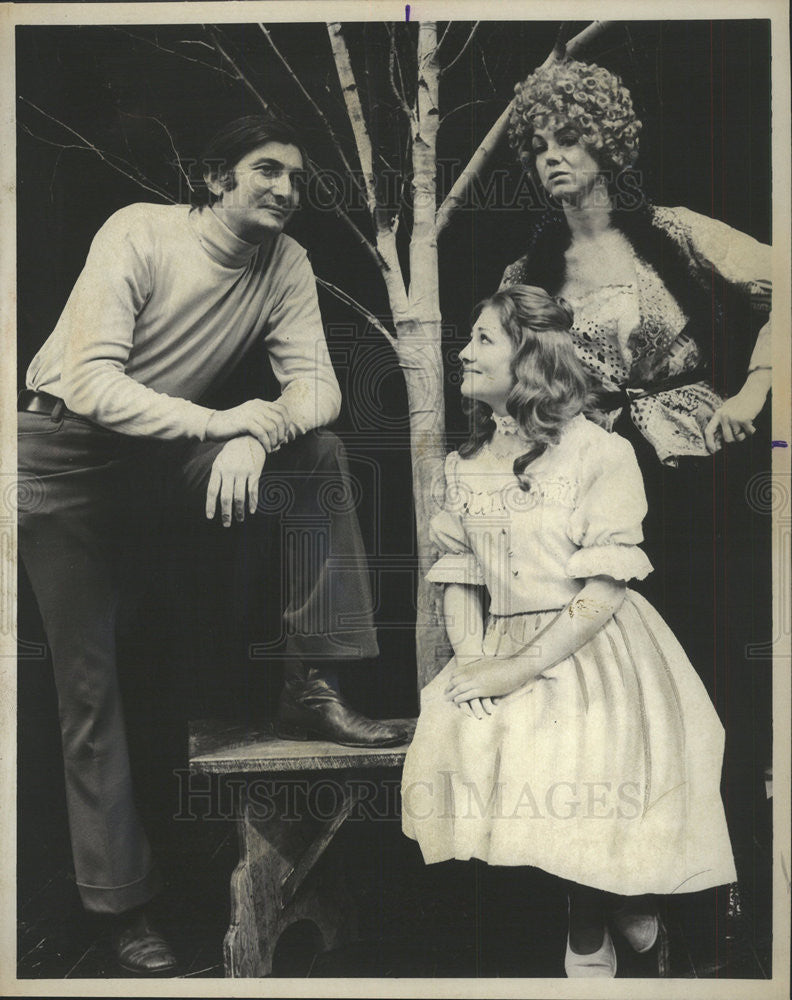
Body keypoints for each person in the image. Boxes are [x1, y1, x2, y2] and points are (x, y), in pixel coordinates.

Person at [17, 114, 409, 975]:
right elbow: (89, 381)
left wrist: (252, 437)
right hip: (60, 458)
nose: (285, 191)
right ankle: (124, 907)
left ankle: (313, 679)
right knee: (92, 691)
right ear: (214, 177)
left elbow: (320, 391)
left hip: (165, 456)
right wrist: (220, 420)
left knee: (318, 455)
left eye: (298, 180)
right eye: (267, 170)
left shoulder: (286, 264)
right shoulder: (140, 231)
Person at [499, 59, 772, 929]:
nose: (553, 157)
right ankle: (624, 893)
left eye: (569, 137)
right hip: (600, 499)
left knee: (716, 686)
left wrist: (755, 393)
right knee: (617, 698)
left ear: (607, 139)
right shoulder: (530, 269)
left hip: (700, 488)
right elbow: (509, 386)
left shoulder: (675, 233)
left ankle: (731, 898)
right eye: (538, 145)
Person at [401, 284, 736, 978]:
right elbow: (460, 575)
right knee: (476, 732)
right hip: (500, 640)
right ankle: (597, 903)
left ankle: (603, 910)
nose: (463, 352)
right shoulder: (464, 467)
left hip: (593, 645)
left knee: (578, 745)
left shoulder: (598, 454)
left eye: (483, 340)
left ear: (531, 357)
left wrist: (518, 670)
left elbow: (606, 588)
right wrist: (473, 664)